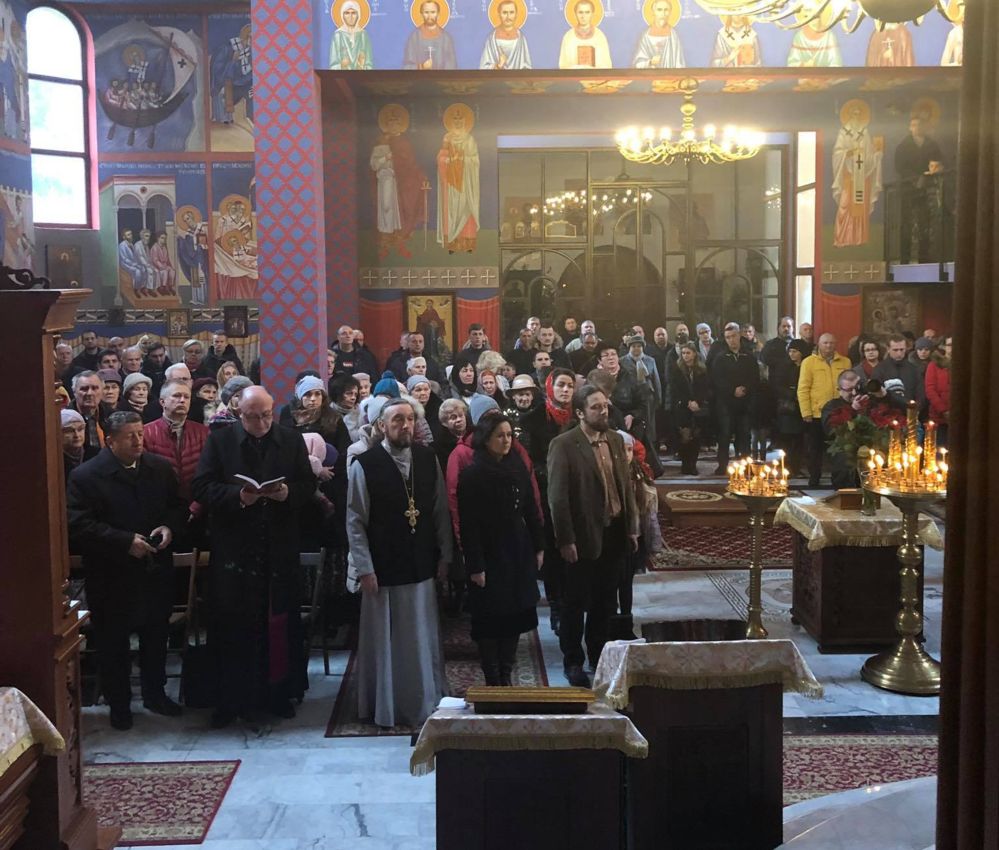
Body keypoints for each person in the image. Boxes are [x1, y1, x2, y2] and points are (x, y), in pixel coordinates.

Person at [191, 387, 315, 727]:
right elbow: (201, 487)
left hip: (278, 548)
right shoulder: (220, 441)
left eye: (266, 416)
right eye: (252, 417)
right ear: (238, 413)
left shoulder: (290, 439)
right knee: (233, 624)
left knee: (279, 622)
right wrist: (238, 497)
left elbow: (307, 485)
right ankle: (232, 698)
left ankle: (278, 694)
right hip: (235, 550)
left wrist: (288, 493)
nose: (260, 423)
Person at [67, 411, 185, 730]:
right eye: (129, 436)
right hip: (111, 574)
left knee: (155, 636)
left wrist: (169, 528)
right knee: (114, 643)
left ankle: (155, 694)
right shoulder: (86, 476)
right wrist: (124, 541)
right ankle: (119, 704)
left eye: (140, 434)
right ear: (111, 440)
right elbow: (79, 524)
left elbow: (178, 507)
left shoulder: (159, 468)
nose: (137, 441)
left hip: (154, 570)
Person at [347, 398, 453, 727]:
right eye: (396, 420)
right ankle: (387, 705)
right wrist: (365, 568)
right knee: (387, 641)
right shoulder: (365, 464)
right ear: (382, 426)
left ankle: (423, 699)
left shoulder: (427, 458)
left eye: (409, 419)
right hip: (383, 567)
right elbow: (355, 521)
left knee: (421, 637)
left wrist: (445, 555)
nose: (404, 425)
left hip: (421, 560)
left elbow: (440, 510)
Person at [547, 386, 638, 687]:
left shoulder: (615, 439)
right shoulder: (564, 445)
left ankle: (598, 655)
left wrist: (632, 527)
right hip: (582, 534)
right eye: (596, 407)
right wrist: (565, 539)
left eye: (605, 405)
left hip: (614, 531)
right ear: (580, 413)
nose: (603, 411)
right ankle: (573, 659)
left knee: (605, 600)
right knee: (575, 601)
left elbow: (625, 486)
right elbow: (558, 498)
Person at [458, 415, 543, 685]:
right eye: (500, 436)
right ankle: (492, 676)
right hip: (489, 552)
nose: (506, 441)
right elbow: (469, 524)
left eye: (509, 435)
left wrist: (539, 546)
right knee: (490, 617)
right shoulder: (472, 474)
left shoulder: (517, 466)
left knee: (515, 613)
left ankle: (506, 672)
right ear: (486, 439)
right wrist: (476, 565)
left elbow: (531, 509)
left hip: (517, 548)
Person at [520, 368, 575, 634]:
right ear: (550, 387)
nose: (565, 390)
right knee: (554, 550)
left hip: (577, 493)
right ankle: (556, 603)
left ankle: (574, 600)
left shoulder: (579, 415)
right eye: (561, 385)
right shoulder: (533, 419)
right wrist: (557, 474)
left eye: (570, 386)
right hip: (546, 491)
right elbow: (529, 460)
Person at [142, 381, 209, 507]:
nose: (182, 400)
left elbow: (210, 473)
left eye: (186, 397)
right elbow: (144, 479)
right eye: (176, 396)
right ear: (162, 402)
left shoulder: (203, 432)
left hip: (199, 504)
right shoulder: (145, 433)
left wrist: (198, 505)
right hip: (161, 507)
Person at [797, 333, 851, 487]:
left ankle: (838, 479)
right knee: (815, 448)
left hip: (838, 413)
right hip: (816, 413)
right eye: (825, 343)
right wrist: (806, 412)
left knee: (838, 449)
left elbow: (850, 385)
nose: (828, 346)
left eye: (831, 343)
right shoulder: (809, 362)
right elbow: (803, 388)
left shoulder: (845, 362)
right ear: (819, 345)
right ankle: (814, 478)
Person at [895, 116, 944, 263]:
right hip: (908, 191)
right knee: (906, 225)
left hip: (927, 191)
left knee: (925, 224)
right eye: (914, 125)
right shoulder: (903, 146)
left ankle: (924, 259)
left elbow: (938, 163)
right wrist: (915, 179)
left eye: (919, 125)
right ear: (910, 128)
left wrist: (932, 173)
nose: (917, 128)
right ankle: (905, 259)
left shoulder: (932, 145)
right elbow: (900, 167)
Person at [437, 105, 480, 253]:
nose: (457, 121)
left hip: (466, 182)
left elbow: (475, 160)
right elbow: (441, 158)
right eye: (454, 119)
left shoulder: (470, 139)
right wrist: (448, 160)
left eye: (460, 119)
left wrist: (462, 159)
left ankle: (467, 243)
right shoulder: (447, 138)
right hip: (451, 182)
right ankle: (453, 243)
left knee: (466, 210)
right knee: (452, 212)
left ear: (465, 121)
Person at [671, 342, 711, 476]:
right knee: (685, 437)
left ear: (694, 354)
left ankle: (693, 465)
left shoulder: (702, 370)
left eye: (688, 353)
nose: (685, 356)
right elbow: (675, 389)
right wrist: (688, 402)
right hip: (683, 407)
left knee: (696, 437)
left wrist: (697, 402)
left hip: (698, 407)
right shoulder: (677, 369)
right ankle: (685, 464)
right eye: (683, 353)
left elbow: (705, 388)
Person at [772, 339, 811, 477]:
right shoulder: (783, 366)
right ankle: (787, 466)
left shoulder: (808, 365)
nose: (792, 354)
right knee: (787, 439)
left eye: (795, 351)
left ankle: (796, 466)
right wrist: (792, 393)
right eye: (790, 351)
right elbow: (777, 385)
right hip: (788, 408)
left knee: (799, 440)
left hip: (804, 406)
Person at [403, 0, 457, 69]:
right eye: (426, 12)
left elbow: (451, 66)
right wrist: (421, 67)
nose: (429, 16)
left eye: (433, 12)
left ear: (438, 14)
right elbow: (407, 67)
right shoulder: (414, 37)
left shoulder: (446, 38)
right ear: (421, 14)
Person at [480, 0, 532, 69]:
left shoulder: (521, 38)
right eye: (504, 12)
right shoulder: (492, 38)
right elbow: (483, 67)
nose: (508, 17)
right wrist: (498, 66)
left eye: (511, 12)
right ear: (499, 14)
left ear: (516, 14)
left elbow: (527, 67)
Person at [633, 0, 685, 68]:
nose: (663, 13)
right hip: (650, 73)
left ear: (670, 13)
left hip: (669, 74)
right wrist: (650, 62)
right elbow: (638, 64)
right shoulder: (646, 36)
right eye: (659, 10)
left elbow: (679, 63)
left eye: (666, 10)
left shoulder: (673, 35)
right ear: (653, 12)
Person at [559, 0, 611, 68]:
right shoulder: (568, 37)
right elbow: (563, 65)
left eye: (587, 12)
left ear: (592, 14)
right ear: (575, 14)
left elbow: (607, 65)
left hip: (595, 74)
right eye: (580, 12)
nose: (583, 16)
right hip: (574, 74)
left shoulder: (600, 37)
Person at [872, 334, 923, 403]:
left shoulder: (914, 369)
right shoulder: (879, 369)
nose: (899, 353)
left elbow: (920, 394)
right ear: (888, 349)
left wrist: (916, 407)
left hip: (910, 407)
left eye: (902, 350)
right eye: (895, 350)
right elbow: (875, 395)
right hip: (887, 407)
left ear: (906, 349)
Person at [71, 371, 109, 452]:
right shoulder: (65, 420)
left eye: (95, 388)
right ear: (74, 392)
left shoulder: (111, 415)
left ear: (102, 391)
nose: (89, 393)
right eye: (84, 389)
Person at [328, 0, 373, 69]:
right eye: (347, 13)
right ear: (342, 15)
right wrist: (342, 65)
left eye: (353, 13)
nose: (350, 16)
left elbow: (369, 65)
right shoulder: (337, 36)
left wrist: (362, 66)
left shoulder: (363, 35)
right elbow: (333, 66)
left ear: (358, 15)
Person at [925, 335, 951, 445]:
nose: (953, 348)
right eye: (949, 345)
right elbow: (930, 389)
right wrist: (943, 410)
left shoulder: (966, 364)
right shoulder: (934, 365)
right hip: (939, 417)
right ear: (944, 347)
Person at [60, 408, 92, 483]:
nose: (77, 435)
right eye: (69, 431)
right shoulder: (55, 460)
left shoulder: (95, 454)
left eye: (80, 429)